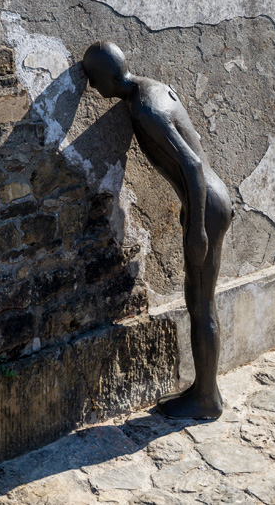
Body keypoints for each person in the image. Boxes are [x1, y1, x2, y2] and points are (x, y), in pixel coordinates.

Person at [82, 41, 232, 420]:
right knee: (201, 302)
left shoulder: (146, 108)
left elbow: (193, 165)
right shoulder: (150, 87)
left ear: (107, 78)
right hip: (208, 202)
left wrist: (196, 228)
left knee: (201, 304)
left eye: (94, 80)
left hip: (206, 207)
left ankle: (206, 399)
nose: (94, 90)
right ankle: (205, 390)